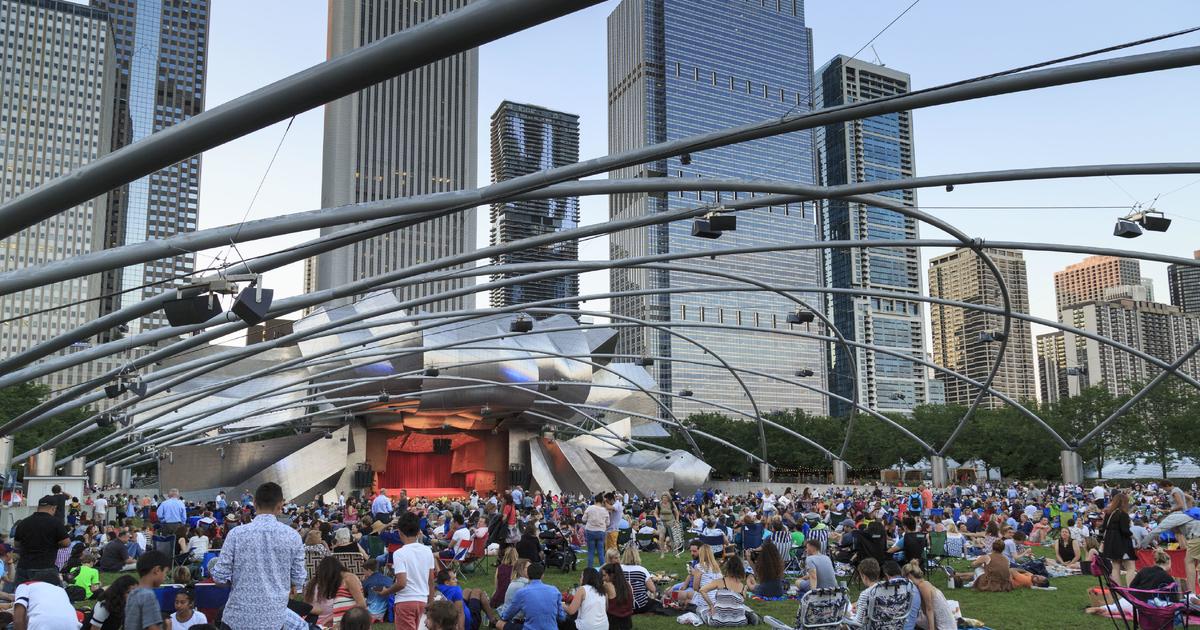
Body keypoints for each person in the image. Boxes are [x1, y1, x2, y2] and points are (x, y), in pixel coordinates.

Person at [210, 482, 308, 630]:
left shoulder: (236, 534)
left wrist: (238, 581)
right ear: (280, 505)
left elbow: (219, 577)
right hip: (273, 620)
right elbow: (298, 579)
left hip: (237, 619)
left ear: (254, 503)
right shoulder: (292, 536)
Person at [379, 512, 436, 629]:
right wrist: (430, 603)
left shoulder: (399, 553)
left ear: (399, 532)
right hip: (422, 600)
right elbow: (431, 580)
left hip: (405, 601)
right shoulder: (427, 551)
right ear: (418, 531)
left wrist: (386, 591)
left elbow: (401, 583)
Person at [1085, 549, 1177, 617]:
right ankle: (1109, 609)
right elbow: (1172, 600)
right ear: (1168, 563)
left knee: (1115, 607)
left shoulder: (1144, 570)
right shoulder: (1168, 578)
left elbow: (1132, 587)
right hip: (1145, 608)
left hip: (1130, 601)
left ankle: (1105, 608)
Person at [11, 496, 69, 589]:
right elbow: (66, 543)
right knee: (44, 597)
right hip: (45, 567)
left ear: (38, 507)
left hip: (23, 567)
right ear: (53, 508)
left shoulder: (24, 522)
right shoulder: (56, 522)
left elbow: (17, 544)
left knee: (22, 597)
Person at [1141, 506, 1200, 596]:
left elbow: (1155, 531)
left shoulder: (1170, 518)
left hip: (1197, 535)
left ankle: (1192, 593)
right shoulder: (1185, 516)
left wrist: (1142, 545)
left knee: (1189, 561)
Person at [496, 563, 565, 630]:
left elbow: (508, 614)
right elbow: (561, 617)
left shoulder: (522, 592)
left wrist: (503, 617)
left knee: (500, 624)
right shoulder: (554, 590)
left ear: (527, 575)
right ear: (542, 575)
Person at [304, 555, 367, 627]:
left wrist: (344, 620)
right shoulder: (339, 581)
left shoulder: (349, 578)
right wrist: (330, 619)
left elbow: (361, 604)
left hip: (353, 623)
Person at [696, 555, 751, 627]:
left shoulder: (720, 581)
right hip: (740, 622)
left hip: (717, 621)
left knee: (699, 609)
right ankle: (749, 614)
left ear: (727, 567)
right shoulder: (743, 586)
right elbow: (741, 602)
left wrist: (711, 606)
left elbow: (702, 590)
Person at [902, 560, 955, 630]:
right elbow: (925, 610)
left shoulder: (923, 586)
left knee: (912, 619)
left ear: (909, 576)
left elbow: (929, 609)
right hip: (941, 620)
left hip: (944, 625)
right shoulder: (922, 584)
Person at [124, 550, 170, 630]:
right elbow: (153, 627)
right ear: (157, 570)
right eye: (166, 572)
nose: (165, 577)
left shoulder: (132, 593)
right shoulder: (148, 595)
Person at [13, 577, 79, 630]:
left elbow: (18, 620)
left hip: (42, 625)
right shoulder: (60, 589)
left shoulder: (24, 586)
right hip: (72, 626)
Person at [1101, 491, 1136, 587]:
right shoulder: (1123, 514)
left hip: (1110, 542)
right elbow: (1125, 530)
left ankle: (1118, 590)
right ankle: (1131, 589)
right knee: (1130, 566)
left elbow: (1103, 528)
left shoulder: (1108, 513)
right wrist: (1133, 536)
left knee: (1115, 566)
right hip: (1122, 543)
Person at [618, 545, 656, 613]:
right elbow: (653, 589)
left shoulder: (618, 569)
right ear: (637, 556)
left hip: (621, 604)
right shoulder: (642, 570)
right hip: (640, 605)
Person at [601, 563, 633, 630]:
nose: (603, 578)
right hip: (627, 621)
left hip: (614, 623)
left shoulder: (608, 586)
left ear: (612, 575)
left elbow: (606, 608)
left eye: (604, 575)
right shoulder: (627, 584)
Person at [583, 495, 608, 570]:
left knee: (591, 552)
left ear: (595, 500)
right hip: (601, 531)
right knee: (601, 552)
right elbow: (608, 522)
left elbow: (583, 519)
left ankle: (589, 570)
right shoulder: (605, 510)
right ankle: (603, 570)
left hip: (590, 531)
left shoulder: (590, 508)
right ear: (602, 501)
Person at [657, 493, 682, 558]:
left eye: (665, 498)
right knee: (661, 537)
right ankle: (662, 553)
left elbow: (677, 513)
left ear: (668, 498)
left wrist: (677, 520)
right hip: (662, 522)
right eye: (663, 498)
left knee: (674, 537)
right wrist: (657, 517)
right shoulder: (659, 504)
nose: (664, 499)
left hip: (671, 521)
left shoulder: (671, 504)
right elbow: (655, 512)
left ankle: (676, 553)